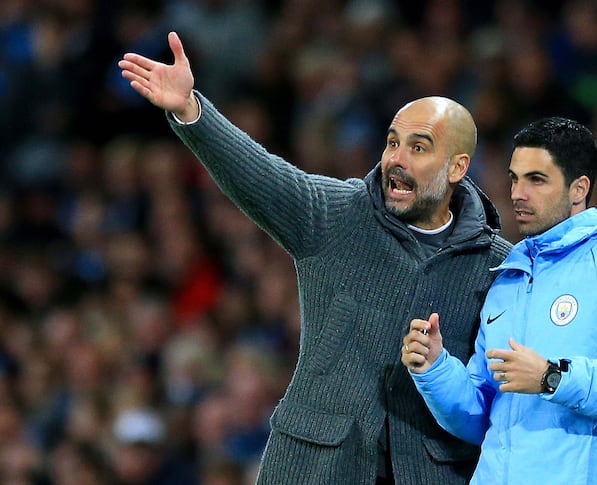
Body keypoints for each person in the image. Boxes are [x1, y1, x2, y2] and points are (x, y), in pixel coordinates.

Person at [118, 31, 512, 484]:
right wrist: (191, 112)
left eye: (418, 148)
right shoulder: (337, 214)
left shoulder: (497, 264)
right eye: (391, 143)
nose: (396, 160)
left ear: (458, 168)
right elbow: (258, 174)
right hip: (313, 468)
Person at [401, 117, 597, 484]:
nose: (518, 193)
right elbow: (483, 417)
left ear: (578, 189)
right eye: (514, 178)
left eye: (536, 179)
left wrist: (554, 378)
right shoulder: (509, 281)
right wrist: (436, 368)